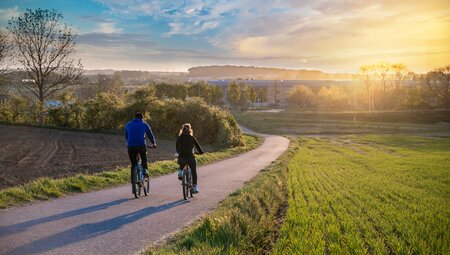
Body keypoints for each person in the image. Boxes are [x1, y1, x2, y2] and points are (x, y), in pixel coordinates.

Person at [125, 112, 157, 186]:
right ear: (142, 118)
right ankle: (145, 170)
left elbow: (126, 135)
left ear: (134, 118)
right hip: (141, 145)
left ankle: (133, 180)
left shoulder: (128, 124)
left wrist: (128, 143)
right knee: (143, 156)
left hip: (131, 146)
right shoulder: (144, 124)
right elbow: (150, 135)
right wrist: (154, 143)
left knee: (133, 164)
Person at [176, 123, 204, 193]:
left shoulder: (179, 138)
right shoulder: (192, 138)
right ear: (190, 130)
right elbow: (198, 148)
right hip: (190, 158)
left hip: (181, 158)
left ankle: (180, 171)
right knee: (193, 170)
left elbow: (177, 148)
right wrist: (200, 152)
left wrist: (179, 152)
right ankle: (195, 186)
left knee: (182, 162)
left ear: (182, 130)